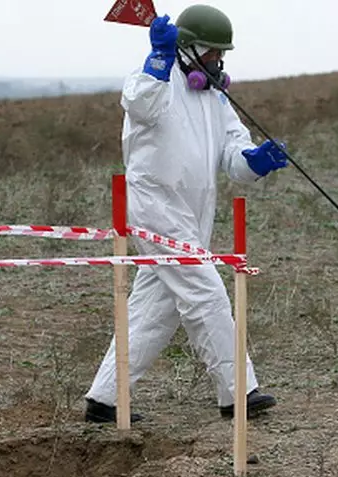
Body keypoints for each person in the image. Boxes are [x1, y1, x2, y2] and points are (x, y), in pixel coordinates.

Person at [84, 4, 288, 423]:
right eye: (211, 52)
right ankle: (238, 393)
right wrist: (157, 60)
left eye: (221, 53)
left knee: (154, 310)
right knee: (205, 290)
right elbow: (141, 105)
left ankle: (104, 400)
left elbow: (234, 155)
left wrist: (255, 160)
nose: (218, 61)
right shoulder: (153, 82)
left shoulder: (215, 97)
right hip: (153, 207)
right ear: (188, 49)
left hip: (194, 213)